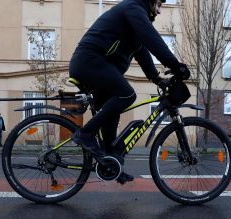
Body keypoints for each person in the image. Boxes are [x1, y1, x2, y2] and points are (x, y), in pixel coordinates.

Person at [69, 0, 190, 183]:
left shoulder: (134, 23)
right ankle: (85, 134)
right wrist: (176, 65)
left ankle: (111, 163)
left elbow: (143, 54)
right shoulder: (133, 8)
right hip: (89, 62)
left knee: (112, 115)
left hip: (96, 66)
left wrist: (157, 79)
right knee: (127, 94)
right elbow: (152, 40)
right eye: (157, 4)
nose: (158, 11)